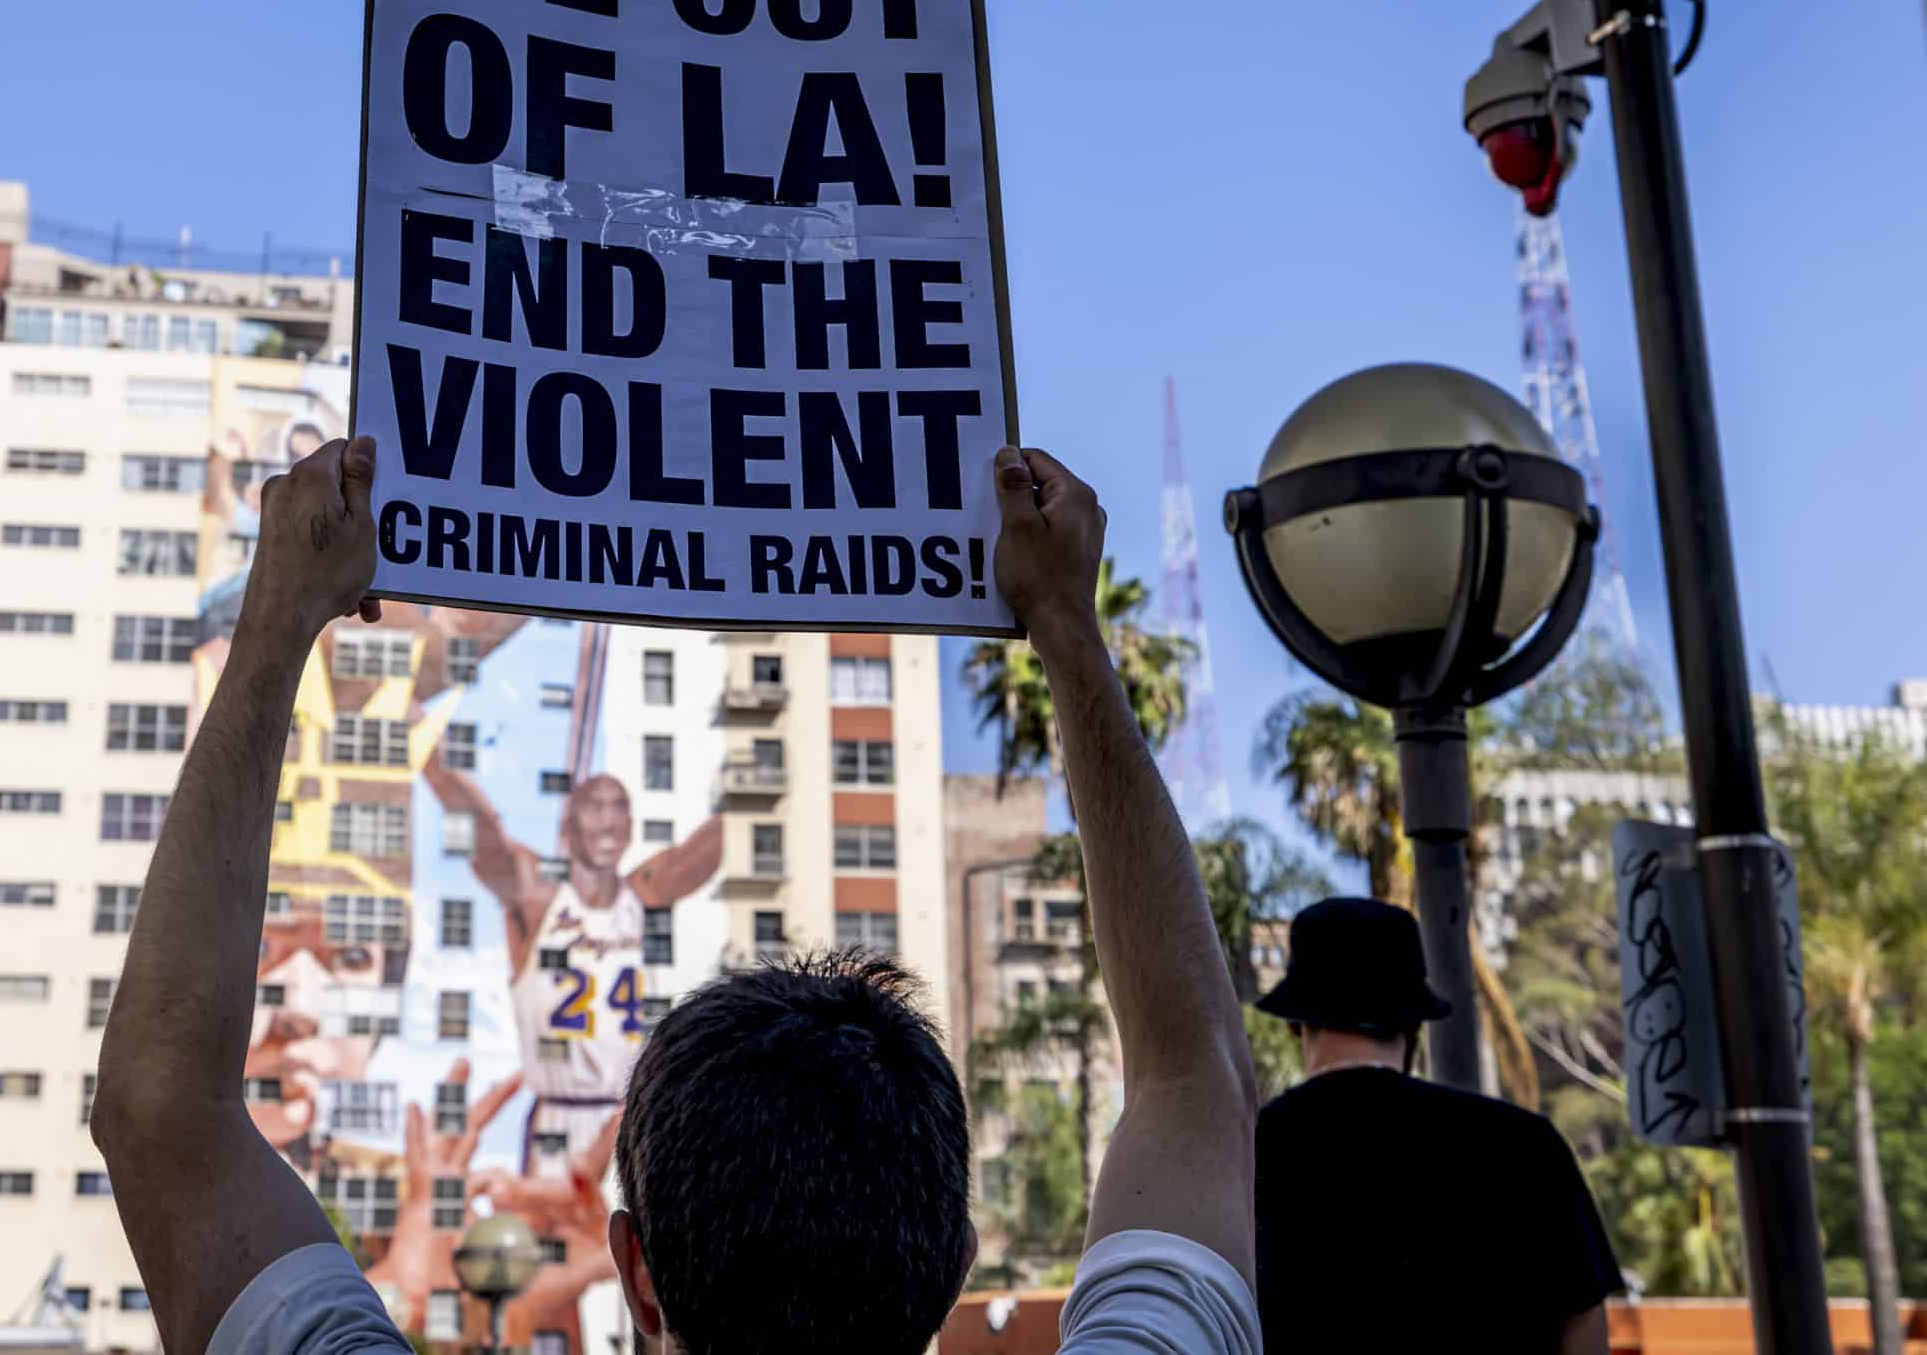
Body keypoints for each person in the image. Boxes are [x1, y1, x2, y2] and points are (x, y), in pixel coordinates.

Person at [94, 437, 1262, 1355]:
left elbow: (158, 1106)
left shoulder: (623, 883)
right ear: (955, 1267)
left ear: (634, 1273)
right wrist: (1066, 626)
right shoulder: (532, 882)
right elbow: (1194, 1074)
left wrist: (275, 623)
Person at [1252, 897, 1621, 1354]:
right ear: (1413, 1025)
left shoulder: (1248, 1154)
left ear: (1295, 1023)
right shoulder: (1525, 1145)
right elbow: (1583, 1323)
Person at [420, 757, 720, 1174]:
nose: (609, 820)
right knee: (561, 1234)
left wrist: (741, 798)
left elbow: (696, 858)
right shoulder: (538, 898)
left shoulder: (645, 894)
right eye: (596, 806)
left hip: (630, 1115)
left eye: (619, 807)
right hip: (560, 1118)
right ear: (568, 825)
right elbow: (487, 836)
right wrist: (435, 765)